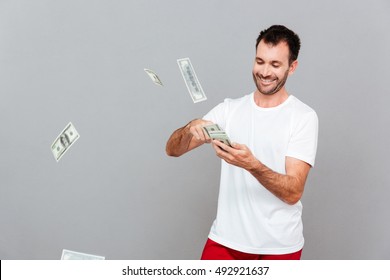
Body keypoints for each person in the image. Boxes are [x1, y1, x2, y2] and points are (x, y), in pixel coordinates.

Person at [166, 25, 318, 260]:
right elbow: (173, 150)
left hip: (279, 246)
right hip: (226, 240)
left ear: (292, 67)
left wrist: (252, 165)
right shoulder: (229, 110)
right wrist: (189, 128)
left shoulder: (303, 117)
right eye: (260, 61)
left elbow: (293, 192)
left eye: (275, 65)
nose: (265, 72)